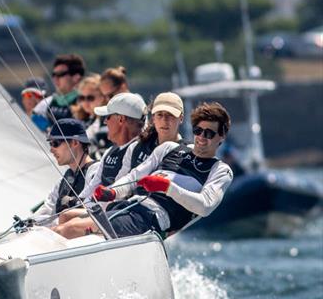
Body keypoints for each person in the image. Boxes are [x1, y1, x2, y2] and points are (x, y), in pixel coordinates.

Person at [93, 102, 234, 237]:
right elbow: (133, 177)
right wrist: (112, 191)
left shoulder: (221, 170)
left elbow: (205, 206)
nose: (202, 137)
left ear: (221, 137)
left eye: (209, 134)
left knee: (77, 228)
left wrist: (167, 187)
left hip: (153, 218)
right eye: (198, 131)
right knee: (76, 222)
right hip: (130, 205)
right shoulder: (169, 148)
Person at [53, 92, 147, 238]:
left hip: (118, 214)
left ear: (121, 119)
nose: (104, 123)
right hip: (101, 209)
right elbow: (91, 189)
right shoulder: (110, 151)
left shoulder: (136, 150)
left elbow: (119, 194)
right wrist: (76, 202)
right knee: (65, 215)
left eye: (107, 117)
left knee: (62, 230)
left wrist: (87, 209)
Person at [32, 118, 94, 221]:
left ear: (74, 143)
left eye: (55, 143)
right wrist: (29, 223)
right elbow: (46, 210)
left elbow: (95, 212)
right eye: (50, 144)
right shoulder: (63, 180)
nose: (51, 150)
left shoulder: (97, 173)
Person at [32, 54, 86, 128]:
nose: (55, 79)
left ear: (76, 77)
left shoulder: (87, 103)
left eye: (61, 74)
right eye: (54, 74)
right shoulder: (46, 103)